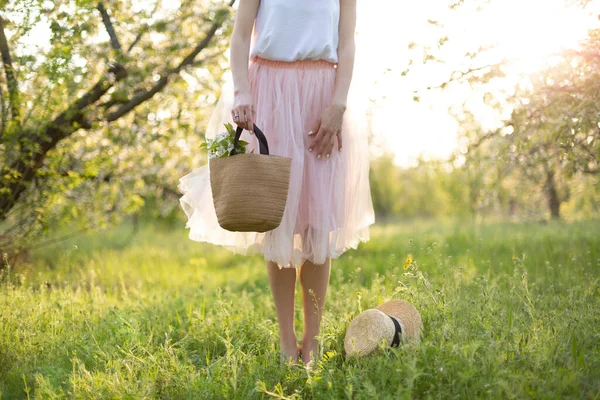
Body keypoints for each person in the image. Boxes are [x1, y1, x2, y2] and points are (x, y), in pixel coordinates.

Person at [178, 0, 375, 366]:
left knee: (318, 224)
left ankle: (312, 341)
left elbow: (347, 44)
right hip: (269, 91)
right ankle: (287, 341)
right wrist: (242, 91)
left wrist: (338, 104)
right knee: (278, 218)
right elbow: (239, 38)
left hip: (322, 95)